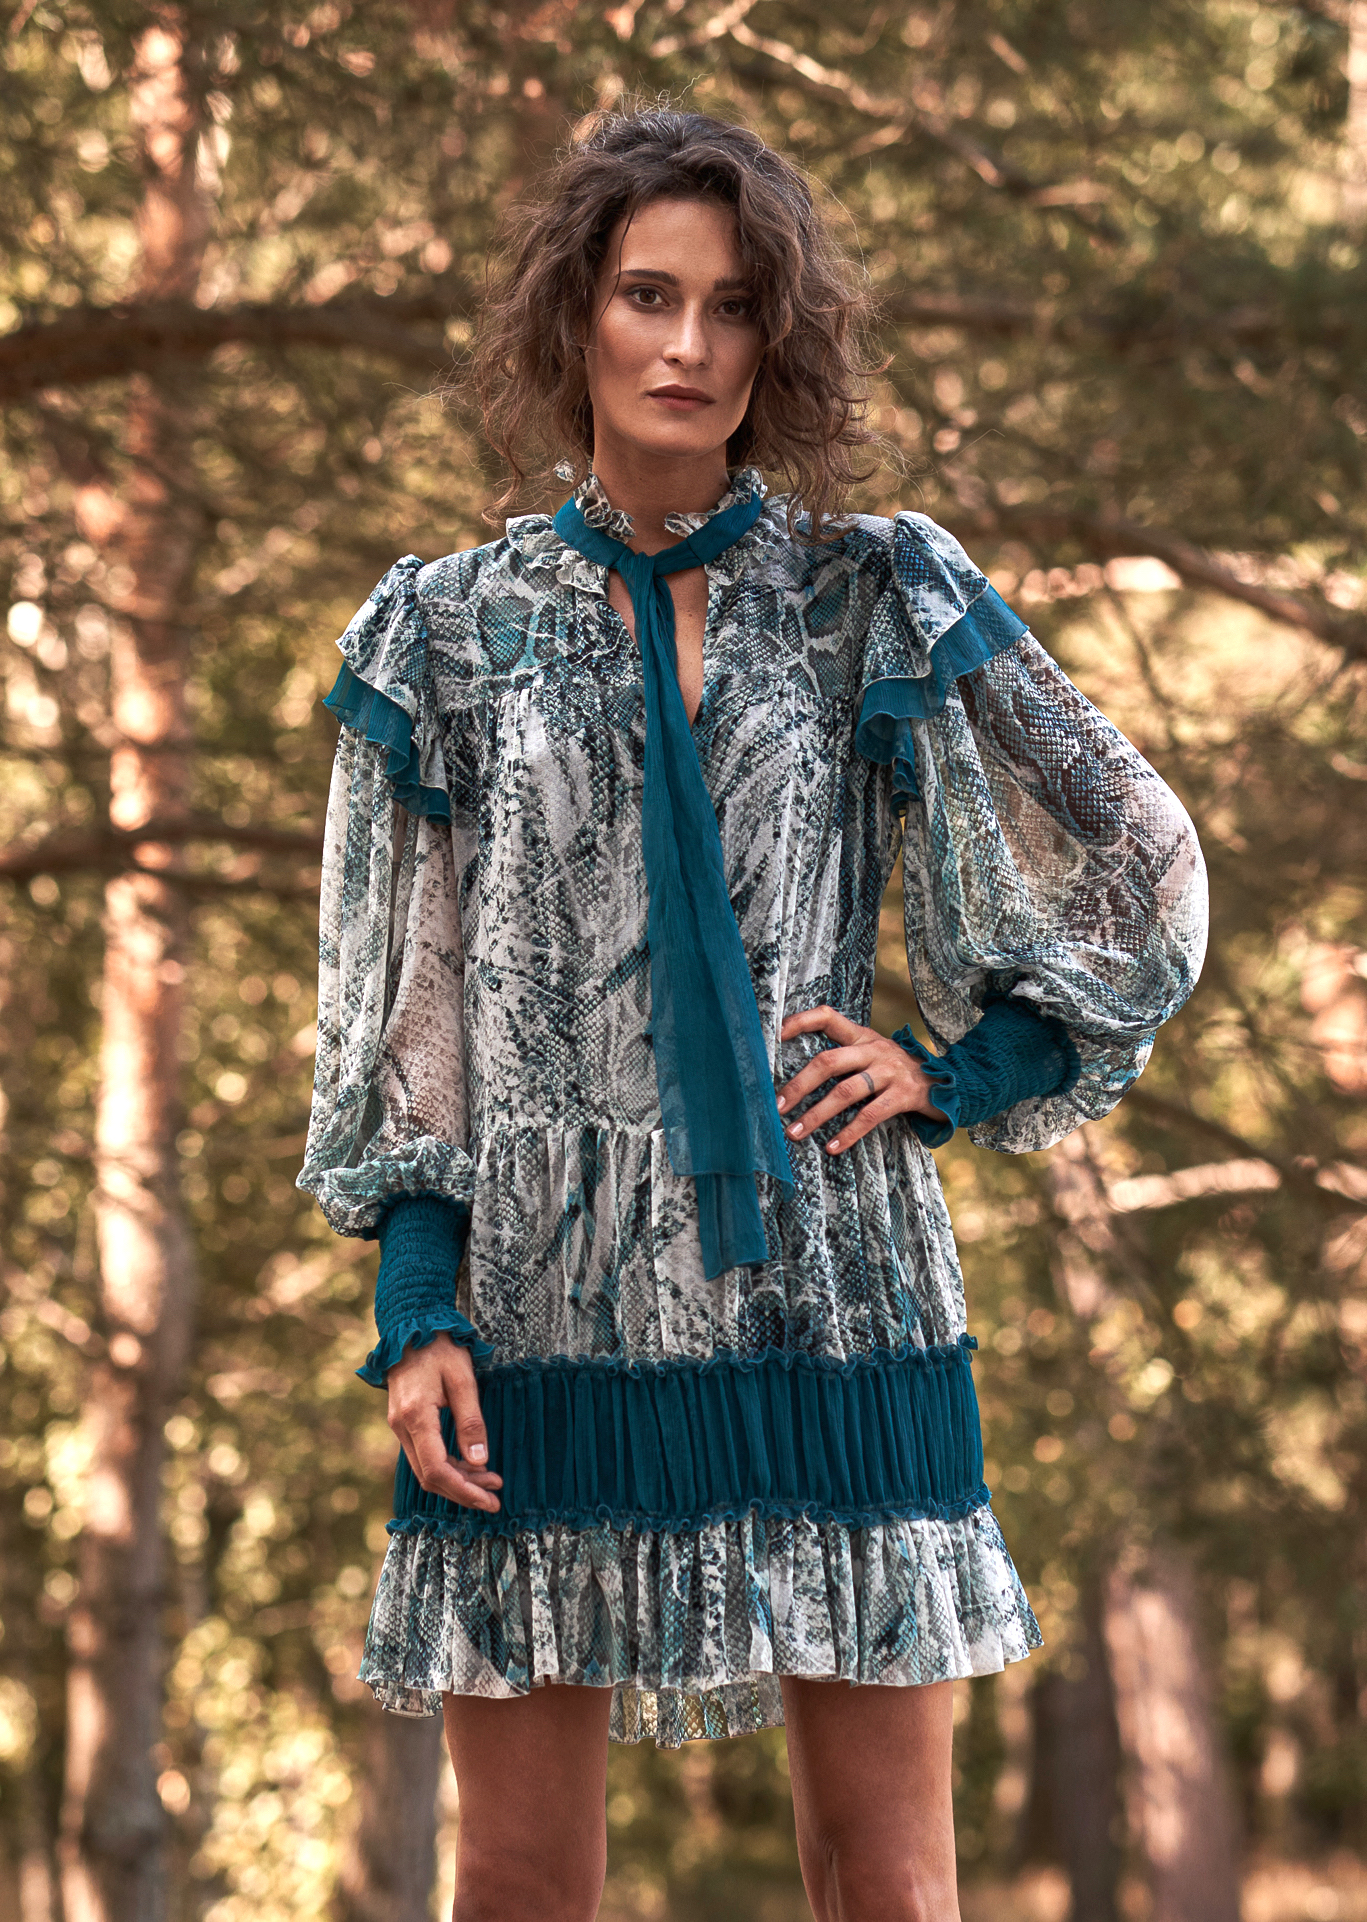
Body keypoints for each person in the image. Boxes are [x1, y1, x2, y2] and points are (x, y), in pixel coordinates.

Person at [299, 108, 1207, 1922]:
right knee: (522, 1881)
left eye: (732, 307)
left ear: (775, 340)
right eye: (649, 294)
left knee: (889, 1877)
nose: (688, 344)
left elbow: (1144, 854)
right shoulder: (445, 630)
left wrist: (963, 1070)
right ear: (577, 314)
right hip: (545, 1296)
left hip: (836, 1285)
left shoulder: (876, 591)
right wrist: (417, 1307)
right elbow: (411, 1012)